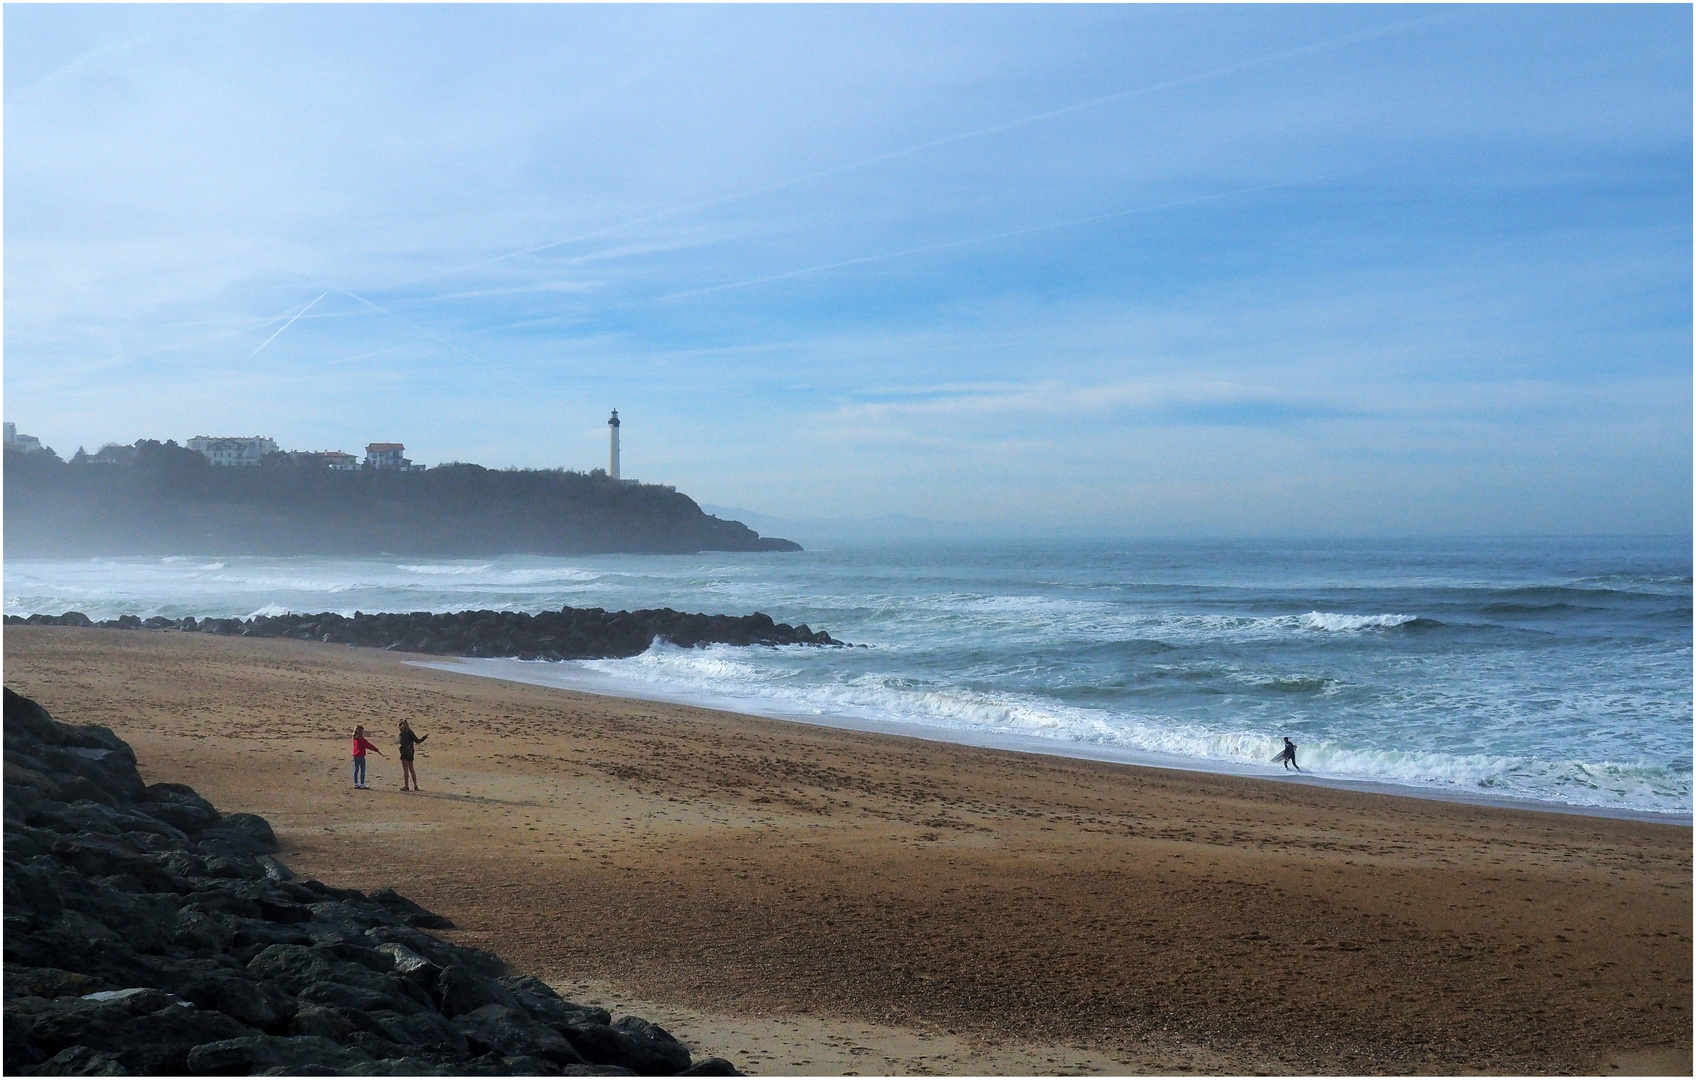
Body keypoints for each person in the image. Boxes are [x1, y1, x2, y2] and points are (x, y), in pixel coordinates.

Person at [398, 719, 427, 792]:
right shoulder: (410, 732)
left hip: (404, 753)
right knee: (412, 769)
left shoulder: (402, 734)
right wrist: (424, 737)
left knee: (405, 770)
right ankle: (415, 786)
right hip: (411, 752)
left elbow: (402, 744)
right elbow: (417, 741)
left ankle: (406, 786)